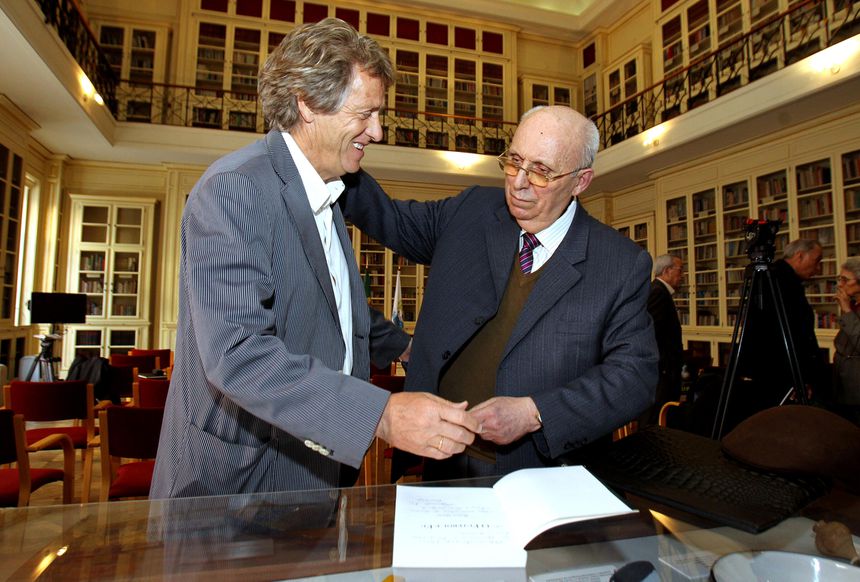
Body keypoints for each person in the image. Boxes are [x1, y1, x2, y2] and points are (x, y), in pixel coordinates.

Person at [150, 18, 480, 499]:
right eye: (365, 113)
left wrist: (399, 345)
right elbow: (238, 354)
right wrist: (381, 415)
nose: (379, 131)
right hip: (237, 487)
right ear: (307, 103)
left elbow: (326, 302)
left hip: (312, 475)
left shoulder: (331, 189)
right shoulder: (235, 189)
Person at [343, 105, 658, 480]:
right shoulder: (471, 211)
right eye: (514, 161)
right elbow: (388, 218)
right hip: (442, 459)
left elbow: (634, 377)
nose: (519, 182)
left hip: (543, 475)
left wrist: (535, 412)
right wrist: (331, 156)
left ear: (581, 181)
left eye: (541, 171)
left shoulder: (619, 263)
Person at [738, 238, 826, 411]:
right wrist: (799, 376)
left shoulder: (780, 278)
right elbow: (786, 333)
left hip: (774, 370)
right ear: (800, 256)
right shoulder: (778, 280)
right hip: (779, 373)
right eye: (816, 261)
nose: (818, 268)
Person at [640, 254, 684, 426]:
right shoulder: (658, 292)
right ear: (667, 271)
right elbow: (648, 332)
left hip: (664, 368)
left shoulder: (659, 290)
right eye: (680, 271)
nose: (682, 276)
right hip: (661, 369)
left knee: (662, 415)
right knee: (656, 416)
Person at [833, 257, 860, 425]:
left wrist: (846, 311)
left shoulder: (850, 307)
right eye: (839, 278)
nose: (840, 284)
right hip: (843, 378)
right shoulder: (854, 304)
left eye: (845, 279)